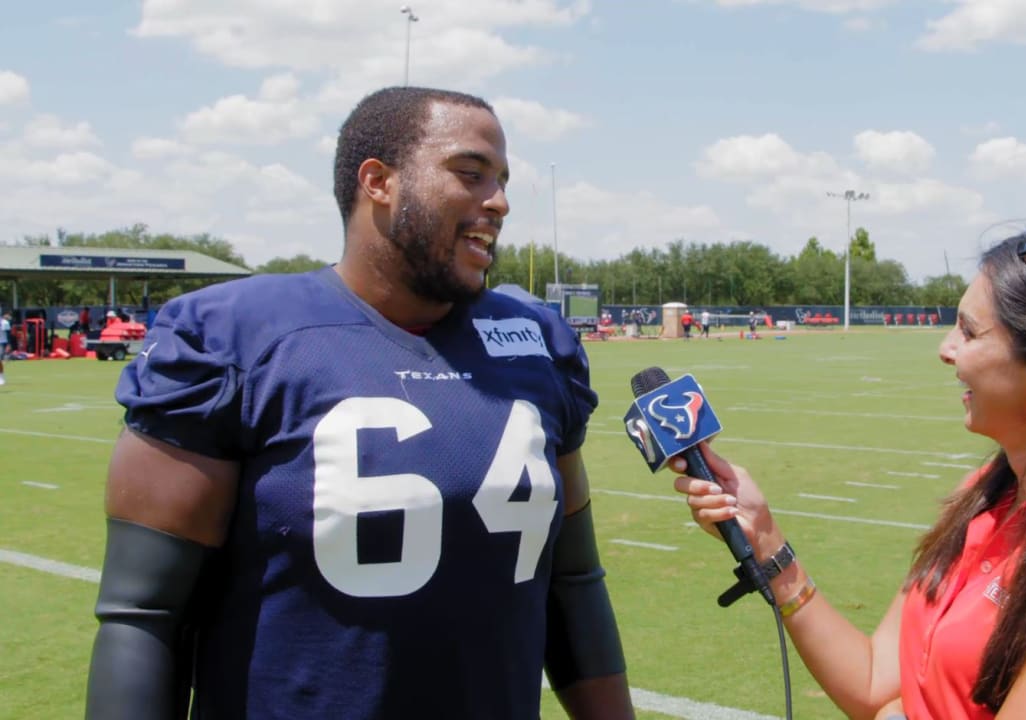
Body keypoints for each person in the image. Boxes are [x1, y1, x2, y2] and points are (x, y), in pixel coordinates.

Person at [86, 86, 633, 720]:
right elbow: (145, 614)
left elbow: (572, 586)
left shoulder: (536, 344)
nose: (500, 202)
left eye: (503, 180)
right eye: (470, 173)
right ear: (378, 181)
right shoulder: (234, 340)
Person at [673, 219, 1026, 719]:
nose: (945, 349)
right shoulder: (985, 493)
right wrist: (764, 541)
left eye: (969, 330)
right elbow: (874, 683)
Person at [0, 311, 9, 385]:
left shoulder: (4, 322)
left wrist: (9, 345)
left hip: (1, 342)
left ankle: (1, 377)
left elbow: (8, 334)